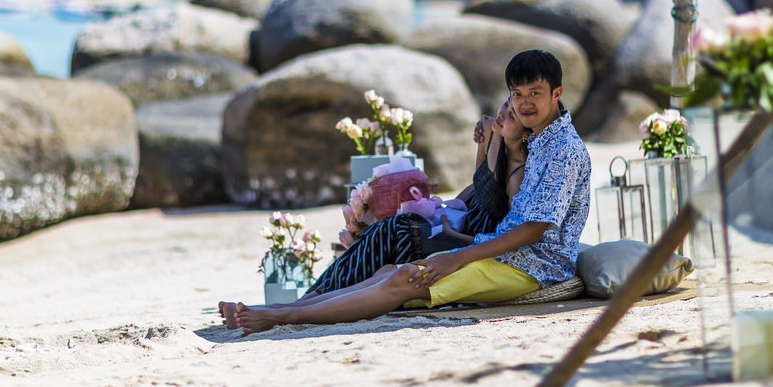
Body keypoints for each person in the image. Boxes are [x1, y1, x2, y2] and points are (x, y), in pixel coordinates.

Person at [224, 49, 591, 334]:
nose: (524, 103)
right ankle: (273, 310)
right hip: (509, 255)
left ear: (557, 93)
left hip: (537, 269)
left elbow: (533, 229)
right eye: (517, 94)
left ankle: (280, 316)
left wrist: (457, 257)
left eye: (535, 94)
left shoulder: (562, 149)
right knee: (388, 270)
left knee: (404, 278)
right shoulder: (539, 139)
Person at [218, 98, 530, 329]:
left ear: (526, 132)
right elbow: (477, 188)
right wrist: (483, 143)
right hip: (452, 226)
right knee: (386, 234)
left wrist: (456, 242)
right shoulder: (498, 145)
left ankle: (289, 309)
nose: (502, 112)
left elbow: (503, 226)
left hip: (460, 238)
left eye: (512, 114)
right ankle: (287, 307)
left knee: (392, 231)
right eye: (506, 103)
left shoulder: (517, 175)